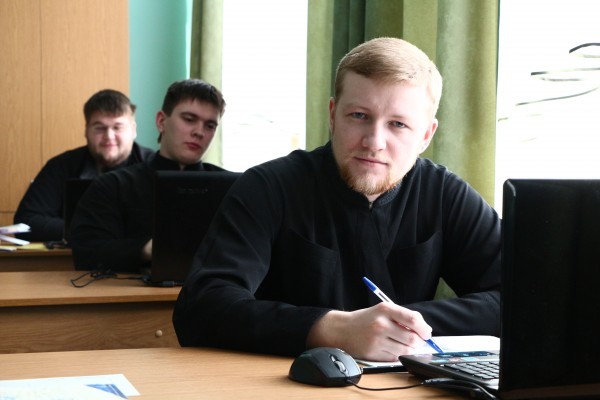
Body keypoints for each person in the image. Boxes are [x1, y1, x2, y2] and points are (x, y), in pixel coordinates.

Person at [172, 37, 501, 362]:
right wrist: (330, 328)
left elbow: (519, 298)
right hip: (280, 381)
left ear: (426, 135)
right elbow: (200, 309)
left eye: (398, 124)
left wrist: (398, 326)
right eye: (359, 115)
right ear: (332, 115)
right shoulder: (267, 187)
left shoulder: (445, 194)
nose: (374, 142)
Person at [69, 79, 227, 273]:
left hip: (210, 290)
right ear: (161, 121)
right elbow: (86, 253)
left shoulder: (231, 189)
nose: (199, 132)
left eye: (210, 125)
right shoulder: (112, 186)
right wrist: (146, 249)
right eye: (189, 119)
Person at [13, 89, 154, 242]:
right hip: (73, 257)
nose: (109, 136)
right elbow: (25, 222)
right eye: (99, 128)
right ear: (86, 130)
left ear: (133, 130)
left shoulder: (154, 166)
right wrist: (90, 231)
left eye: (117, 127)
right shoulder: (61, 166)